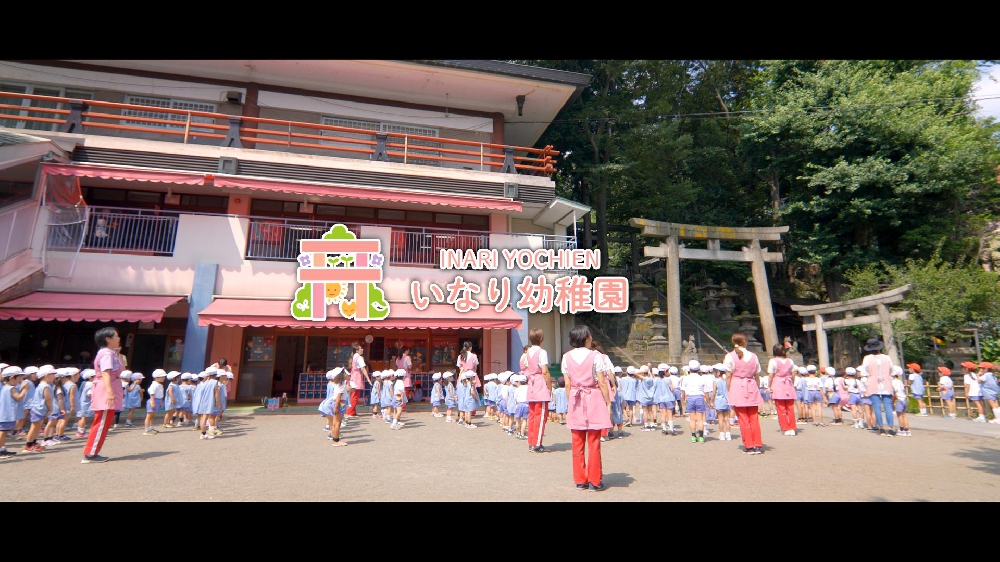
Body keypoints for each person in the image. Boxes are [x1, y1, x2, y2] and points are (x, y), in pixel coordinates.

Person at [561, 324, 612, 492]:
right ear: (587, 338)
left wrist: (571, 403)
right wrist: (608, 402)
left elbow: (567, 384)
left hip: (576, 398)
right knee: (594, 442)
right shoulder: (595, 356)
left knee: (577, 442)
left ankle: (580, 480)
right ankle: (595, 481)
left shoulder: (566, 357)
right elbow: (602, 382)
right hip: (594, 398)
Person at [82, 327, 123, 463]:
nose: (118, 339)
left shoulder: (108, 353)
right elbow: (105, 373)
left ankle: (92, 452)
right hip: (106, 388)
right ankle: (90, 453)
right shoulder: (107, 354)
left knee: (103, 422)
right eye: (116, 336)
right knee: (101, 423)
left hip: (108, 386)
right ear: (108, 339)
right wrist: (110, 393)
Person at [724, 333, 764, 454]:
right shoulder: (753, 356)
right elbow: (757, 374)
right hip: (751, 384)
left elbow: (728, 376)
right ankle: (757, 443)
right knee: (754, 418)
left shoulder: (730, 356)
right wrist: (757, 387)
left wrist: (729, 389)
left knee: (743, 418)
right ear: (745, 341)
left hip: (737, 385)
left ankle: (749, 445)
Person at [523, 329, 552, 453]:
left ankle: (531, 441)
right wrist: (549, 385)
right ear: (541, 339)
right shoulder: (542, 352)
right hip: (540, 382)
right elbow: (544, 370)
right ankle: (537, 443)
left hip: (532, 383)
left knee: (532, 415)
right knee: (541, 415)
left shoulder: (528, 352)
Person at [861, 338, 897, 436]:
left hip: (873, 382)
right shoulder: (887, 358)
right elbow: (892, 371)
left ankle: (881, 428)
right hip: (886, 382)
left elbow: (864, 372)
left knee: (876, 406)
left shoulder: (867, 358)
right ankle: (891, 428)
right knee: (888, 406)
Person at [767, 343, 797, 436]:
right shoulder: (790, 361)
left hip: (778, 384)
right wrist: (792, 383)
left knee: (781, 408)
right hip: (788, 384)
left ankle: (785, 428)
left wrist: (769, 385)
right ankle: (792, 427)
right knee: (790, 408)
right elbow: (793, 373)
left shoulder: (773, 361)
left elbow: (771, 374)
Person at [1, 367, 30, 458]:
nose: (20, 380)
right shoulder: (11, 388)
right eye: (19, 378)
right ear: (11, 378)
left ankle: (2, 449)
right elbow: (19, 397)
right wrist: (25, 390)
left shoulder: (4, 387)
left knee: (4, 432)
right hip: (5, 414)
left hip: (4, 413)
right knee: (3, 432)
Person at [319, 368, 348, 447]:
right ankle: (336, 440)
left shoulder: (338, 384)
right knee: (337, 423)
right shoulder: (342, 384)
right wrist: (336, 407)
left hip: (336, 403)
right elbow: (339, 396)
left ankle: (335, 439)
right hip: (340, 403)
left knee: (335, 423)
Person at [681, 360, 708, 443]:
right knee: (700, 419)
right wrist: (708, 400)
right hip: (699, 397)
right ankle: (701, 437)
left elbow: (683, 390)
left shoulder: (686, 378)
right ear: (699, 369)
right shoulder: (701, 378)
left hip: (690, 397)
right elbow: (705, 391)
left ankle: (693, 436)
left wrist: (683, 399)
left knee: (692, 419)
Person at [346, 342, 372, 418]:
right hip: (357, 376)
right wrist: (368, 378)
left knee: (353, 395)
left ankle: (352, 411)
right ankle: (350, 412)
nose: (362, 349)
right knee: (355, 395)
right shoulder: (360, 358)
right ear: (357, 350)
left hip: (353, 376)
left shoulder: (354, 356)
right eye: (361, 348)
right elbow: (363, 368)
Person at [653, 363, 676, 435]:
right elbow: (672, 389)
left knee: (663, 414)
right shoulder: (668, 380)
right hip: (669, 398)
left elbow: (654, 389)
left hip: (661, 399)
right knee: (670, 414)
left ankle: (664, 429)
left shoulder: (656, 380)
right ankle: (671, 429)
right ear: (665, 371)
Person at [712, 364, 732, 441]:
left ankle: (722, 434)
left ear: (718, 372)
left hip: (719, 400)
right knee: (727, 418)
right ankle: (728, 434)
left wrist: (711, 401)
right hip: (726, 400)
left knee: (720, 418)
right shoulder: (726, 381)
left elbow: (714, 392)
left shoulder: (716, 381)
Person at [144, 369, 166, 435]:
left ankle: (150, 427)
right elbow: (152, 394)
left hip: (158, 400)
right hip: (153, 400)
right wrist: (152, 402)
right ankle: (146, 430)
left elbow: (160, 394)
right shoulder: (154, 385)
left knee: (152, 415)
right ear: (156, 377)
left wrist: (161, 401)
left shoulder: (160, 385)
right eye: (162, 377)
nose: (164, 378)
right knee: (149, 415)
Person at [891, 366, 911, 436]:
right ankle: (907, 430)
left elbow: (894, 393)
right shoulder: (900, 382)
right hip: (903, 399)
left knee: (899, 416)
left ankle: (902, 429)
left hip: (898, 399)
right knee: (904, 415)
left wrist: (892, 402)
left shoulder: (893, 382)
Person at [75, 369, 95, 437]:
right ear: (90, 377)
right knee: (84, 418)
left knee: (81, 417)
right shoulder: (91, 385)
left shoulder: (84, 383)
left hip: (82, 402)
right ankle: (80, 431)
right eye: (94, 376)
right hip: (87, 403)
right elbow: (89, 394)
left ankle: (81, 430)